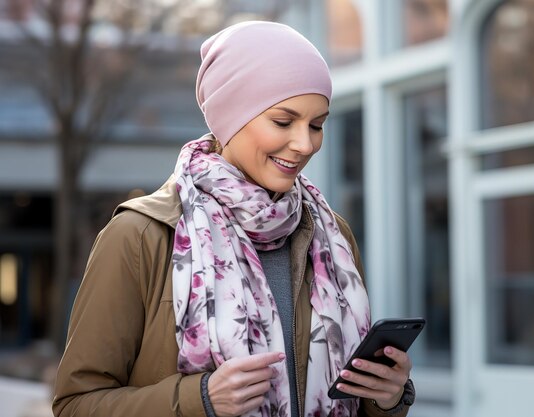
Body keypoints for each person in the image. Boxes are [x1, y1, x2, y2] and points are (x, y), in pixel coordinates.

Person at [52, 21, 415, 417]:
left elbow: (355, 404)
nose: (305, 143)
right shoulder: (141, 235)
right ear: (230, 116)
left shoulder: (331, 235)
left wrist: (388, 398)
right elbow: (75, 404)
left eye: (317, 124)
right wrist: (200, 399)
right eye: (283, 121)